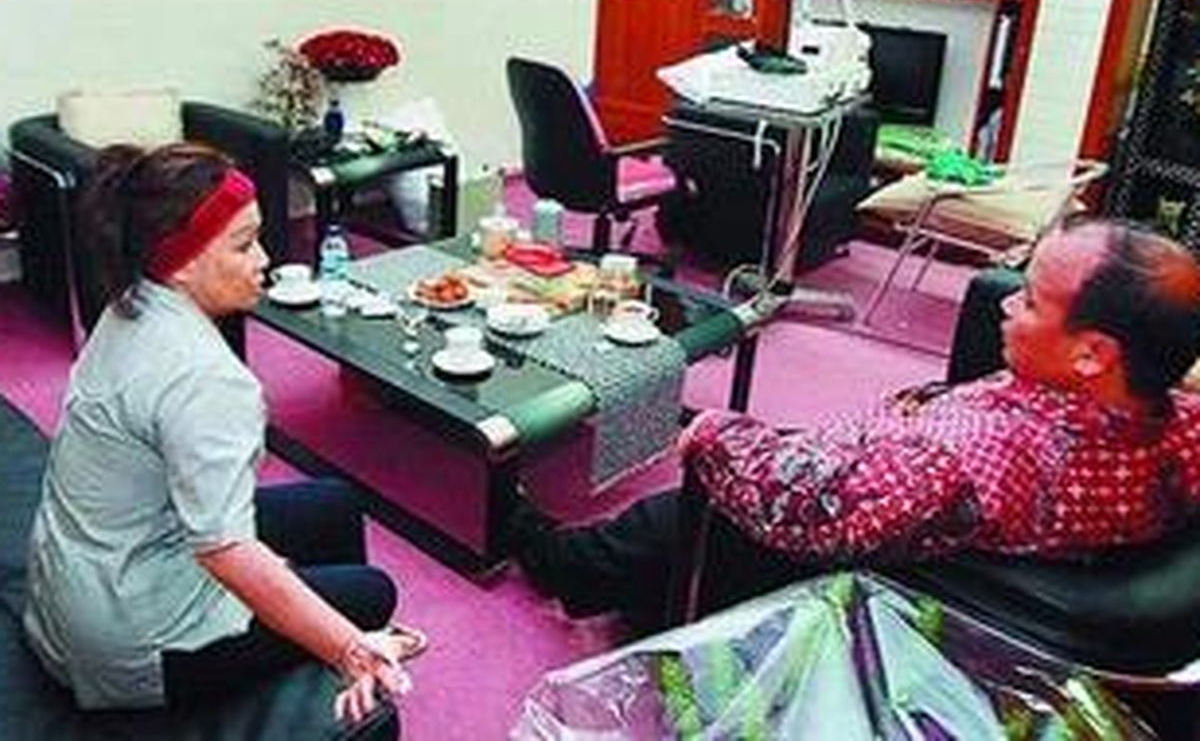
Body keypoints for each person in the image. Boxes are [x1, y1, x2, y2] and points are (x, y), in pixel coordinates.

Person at [508, 218, 1200, 633]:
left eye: (1032, 299)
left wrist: (715, 433)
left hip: (828, 538)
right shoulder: (1175, 420)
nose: (1008, 306)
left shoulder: (964, 462)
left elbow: (804, 504)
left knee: (659, 517)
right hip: (896, 478)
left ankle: (547, 553)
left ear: (1094, 352)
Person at [23, 143, 425, 722]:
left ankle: (311, 682)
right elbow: (225, 552)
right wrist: (347, 644)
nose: (264, 258)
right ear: (183, 261)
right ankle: (340, 686)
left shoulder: (130, 300)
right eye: (243, 245)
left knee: (334, 504)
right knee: (369, 595)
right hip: (129, 643)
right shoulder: (206, 380)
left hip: (81, 587)